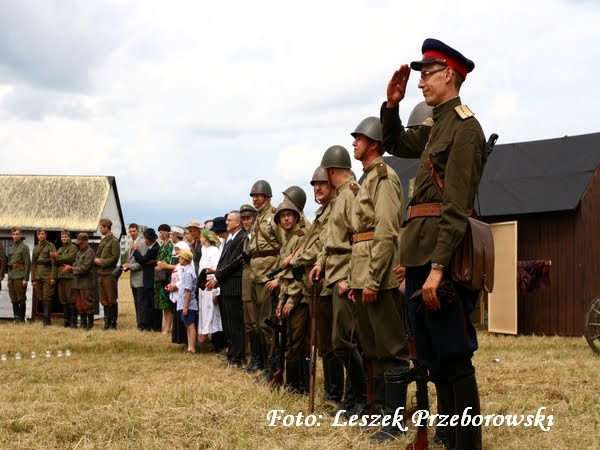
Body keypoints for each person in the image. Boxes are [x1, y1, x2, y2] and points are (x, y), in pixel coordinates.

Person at [381, 38, 485, 449]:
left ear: (450, 75)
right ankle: (450, 438)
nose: (421, 82)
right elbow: (395, 144)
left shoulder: (465, 128)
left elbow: (455, 207)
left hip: (443, 258)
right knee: (434, 358)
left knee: (455, 357)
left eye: (427, 74)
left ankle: (467, 444)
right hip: (420, 255)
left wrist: (439, 268)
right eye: (420, 75)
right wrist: (392, 105)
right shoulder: (435, 126)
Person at [347, 116, 410, 441]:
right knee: (373, 348)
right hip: (363, 274)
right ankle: (384, 413)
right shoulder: (369, 179)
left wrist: (372, 280)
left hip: (379, 278)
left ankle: (395, 421)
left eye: (359, 138)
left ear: (373, 143)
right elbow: (360, 237)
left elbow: (385, 231)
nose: (354, 143)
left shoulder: (384, 177)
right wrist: (357, 281)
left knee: (391, 349)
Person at [310, 146, 367, 417]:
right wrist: (320, 262)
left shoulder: (351, 194)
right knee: (340, 342)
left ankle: (361, 399)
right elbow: (330, 240)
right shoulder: (340, 197)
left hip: (345, 273)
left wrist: (349, 277)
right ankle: (351, 400)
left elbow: (360, 240)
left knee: (345, 341)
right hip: (334, 271)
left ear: (331, 170)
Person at [292, 165, 343, 404]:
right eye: (315, 185)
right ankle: (333, 392)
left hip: (330, 281)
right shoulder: (322, 211)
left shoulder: (336, 208)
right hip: (318, 282)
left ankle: (338, 393)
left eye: (322, 183)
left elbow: (323, 244)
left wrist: (298, 259)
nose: (317, 188)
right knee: (325, 344)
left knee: (334, 343)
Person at [248, 179, 285, 382]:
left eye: (258, 195)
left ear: (268, 197)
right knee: (257, 324)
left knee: (267, 324)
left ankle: (272, 368)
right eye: (253, 196)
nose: (255, 199)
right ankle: (264, 364)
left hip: (268, 276)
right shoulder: (257, 218)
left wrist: (278, 276)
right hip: (255, 275)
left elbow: (284, 246)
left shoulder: (274, 216)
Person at [273, 201, 309, 393]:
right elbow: (284, 276)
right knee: (289, 341)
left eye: (289, 215)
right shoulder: (286, 241)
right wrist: (281, 302)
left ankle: (299, 386)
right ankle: (294, 384)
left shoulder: (300, 238)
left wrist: (291, 300)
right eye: (282, 216)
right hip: (287, 296)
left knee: (296, 342)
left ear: (296, 217)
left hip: (299, 298)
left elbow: (298, 274)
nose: (286, 218)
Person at [206, 211, 247, 368]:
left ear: (237, 222)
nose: (226, 223)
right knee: (228, 325)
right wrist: (217, 276)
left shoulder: (241, 238)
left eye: (229, 220)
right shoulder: (230, 239)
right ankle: (232, 353)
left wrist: (216, 278)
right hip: (227, 286)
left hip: (234, 287)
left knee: (236, 325)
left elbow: (234, 263)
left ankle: (238, 357)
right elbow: (224, 263)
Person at [239, 203, 260, 372]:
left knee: (256, 322)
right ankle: (255, 358)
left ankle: (260, 359)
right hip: (246, 281)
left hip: (255, 279)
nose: (246, 221)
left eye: (249, 218)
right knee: (249, 323)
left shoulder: (257, 235)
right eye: (244, 219)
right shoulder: (246, 236)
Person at [167, 249, 198, 354]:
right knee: (188, 325)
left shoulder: (188, 272)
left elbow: (188, 291)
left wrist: (185, 307)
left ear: (184, 259)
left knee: (191, 326)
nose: (179, 259)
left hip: (188, 304)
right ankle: (190, 347)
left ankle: (192, 348)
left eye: (180, 257)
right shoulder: (186, 270)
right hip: (185, 303)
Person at [94, 218, 120, 330]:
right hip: (101, 273)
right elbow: (97, 254)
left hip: (109, 274)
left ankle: (113, 323)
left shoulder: (114, 241)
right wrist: (96, 260)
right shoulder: (103, 241)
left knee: (111, 299)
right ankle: (106, 322)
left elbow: (115, 258)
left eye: (101, 227)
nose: (100, 229)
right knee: (103, 299)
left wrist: (102, 262)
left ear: (106, 228)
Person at [197, 230, 222, 345]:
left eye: (201, 236)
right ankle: (205, 336)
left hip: (211, 285)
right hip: (203, 286)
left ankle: (216, 341)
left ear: (206, 238)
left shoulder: (214, 251)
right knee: (205, 312)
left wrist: (216, 291)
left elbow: (216, 269)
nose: (200, 238)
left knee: (212, 312)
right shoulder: (204, 250)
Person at [133, 228, 160, 331]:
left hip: (151, 278)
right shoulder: (152, 247)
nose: (145, 241)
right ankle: (151, 325)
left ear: (149, 239)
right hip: (148, 278)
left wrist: (135, 250)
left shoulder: (154, 248)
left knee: (151, 304)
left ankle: (155, 326)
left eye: (145, 238)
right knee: (149, 304)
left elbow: (142, 260)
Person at [121, 223, 147, 329]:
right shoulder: (130, 243)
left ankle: (142, 325)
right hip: (133, 279)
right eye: (130, 231)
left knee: (141, 304)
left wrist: (130, 266)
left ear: (138, 231)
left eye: (134, 231)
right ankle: (139, 324)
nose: (132, 233)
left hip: (140, 278)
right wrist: (127, 266)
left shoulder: (143, 243)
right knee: (136, 303)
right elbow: (130, 261)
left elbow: (142, 262)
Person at [51, 230, 78, 328]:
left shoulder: (73, 247)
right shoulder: (60, 249)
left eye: (65, 237)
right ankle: (66, 321)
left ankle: (73, 322)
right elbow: (55, 262)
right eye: (62, 237)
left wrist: (57, 257)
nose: (64, 238)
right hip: (61, 276)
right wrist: (58, 258)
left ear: (69, 237)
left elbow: (70, 258)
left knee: (71, 299)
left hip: (69, 277)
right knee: (63, 299)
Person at [69, 233, 96, 330]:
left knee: (88, 304)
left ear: (85, 241)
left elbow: (85, 268)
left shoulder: (90, 252)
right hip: (77, 282)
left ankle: (90, 324)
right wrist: (71, 268)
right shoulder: (79, 252)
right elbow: (76, 264)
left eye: (80, 243)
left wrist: (71, 269)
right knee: (79, 304)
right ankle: (83, 323)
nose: (79, 245)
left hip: (86, 283)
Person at [31, 228, 57, 326]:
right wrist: (33, 278)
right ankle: (45, 318)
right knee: (41, 297)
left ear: (45, 235)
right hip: (38, 275)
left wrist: (53, 277)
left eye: (42, 234)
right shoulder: (36, 248)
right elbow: (33, 263)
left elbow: (54, 263)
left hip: (47, 275)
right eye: (39, 234)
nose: (40, 236)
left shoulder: (50, 246)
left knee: (47, 297)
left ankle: (46, 320)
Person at [7, 228, 31, 323]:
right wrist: (8, 278)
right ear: (12, 235)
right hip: (11, 276)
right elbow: (9, 263)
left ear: (20, 235)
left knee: (21, 298)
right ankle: (16, 318)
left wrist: (25, 279)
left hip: (20, 276)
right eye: (14, 234)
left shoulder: (24, 247)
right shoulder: (10, 247)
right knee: (13, 298)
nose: (15, 236)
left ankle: (22, 319)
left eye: (17, 234)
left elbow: (27, 264)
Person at [155, 224, 174, 334]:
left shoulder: (170, 246)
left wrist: (162, 265)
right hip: (160, 276)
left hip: (167, 277)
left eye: (161, 232)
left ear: (167, 232)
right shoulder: (162, 245)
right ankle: (166, 326)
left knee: (167, 303)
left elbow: (168, 260)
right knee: (163, 304)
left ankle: (168, 327)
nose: (160, 234)